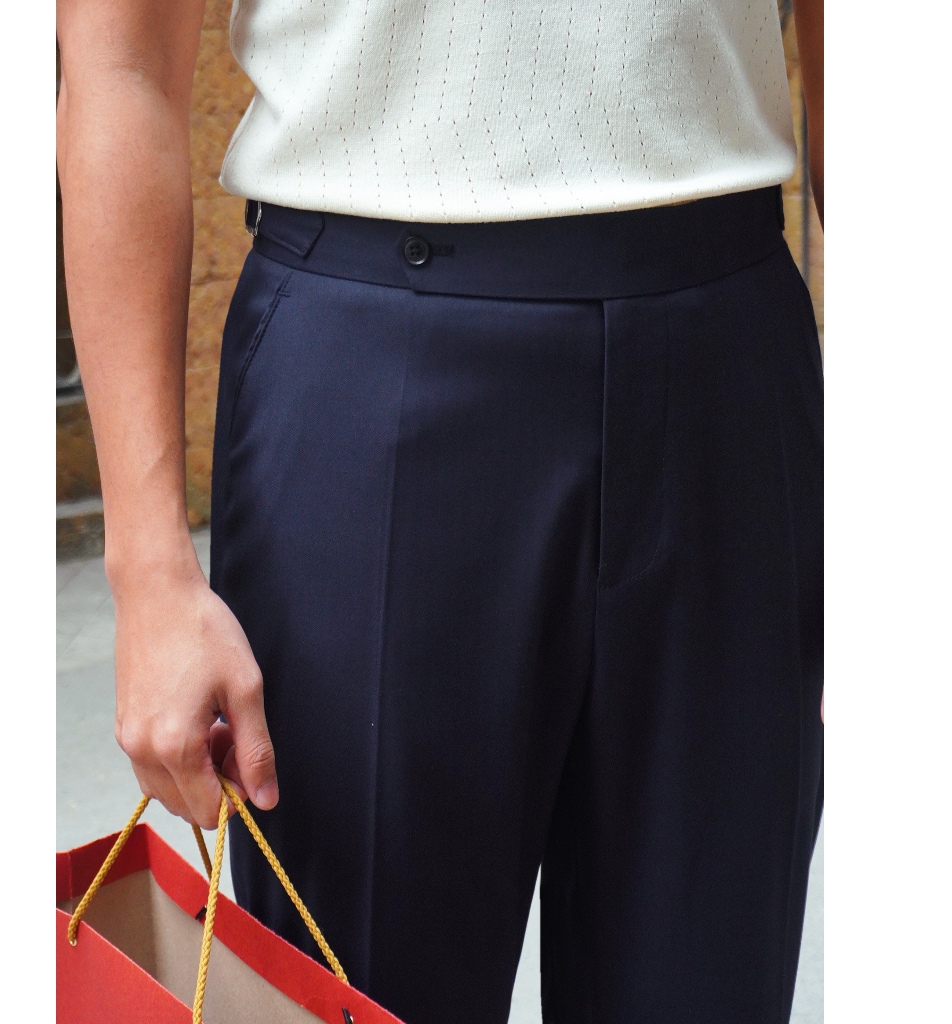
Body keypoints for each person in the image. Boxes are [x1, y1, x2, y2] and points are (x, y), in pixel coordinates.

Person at [56, 1, 823, 1021]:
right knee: (361, 990)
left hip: (725, 367)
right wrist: (148, 576)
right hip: (370, 375)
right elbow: (120, 68)